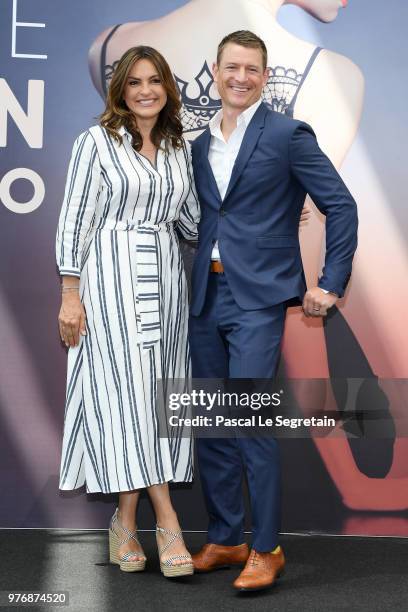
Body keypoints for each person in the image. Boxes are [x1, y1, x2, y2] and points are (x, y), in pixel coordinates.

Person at [188, 30, 358, 591]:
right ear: (215, 70)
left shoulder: (287, 134)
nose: (241, 77)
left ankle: (267, 548)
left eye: (252, 69)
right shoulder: (198, 143)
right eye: (232, 67)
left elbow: (339, 204)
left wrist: (331, 284)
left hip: (258, 299)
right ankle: (226, 535)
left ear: (265, 76)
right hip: (204, 295)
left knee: (249, 420)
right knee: (212, 423)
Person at [56, 45, 200, 577]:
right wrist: (71, 292)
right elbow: (75, 218)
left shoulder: (179, 147)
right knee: (128, 396)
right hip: (109, 279)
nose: (145, 90)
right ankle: (168, 520)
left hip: (165, 283)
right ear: (120, 91)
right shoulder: (95, 143)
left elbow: (192, 221)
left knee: (157, 395)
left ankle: (124, 519)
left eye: (155, 80)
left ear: (167, 87)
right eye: (134, 81)